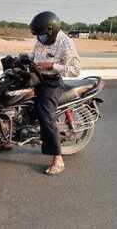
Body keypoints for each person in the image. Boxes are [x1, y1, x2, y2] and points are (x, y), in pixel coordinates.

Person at [30, 11, 81, 175]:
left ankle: (57, 157)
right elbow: (35, 56)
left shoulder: (66, 43)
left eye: (42, 35)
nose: (40, 39)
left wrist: (52, 66)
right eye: (38, 36)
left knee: (45, 114)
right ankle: (5, 139)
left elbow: (75, 70)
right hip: (36, 77)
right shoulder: (41, 38)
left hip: (51, 82)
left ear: (52, 31)